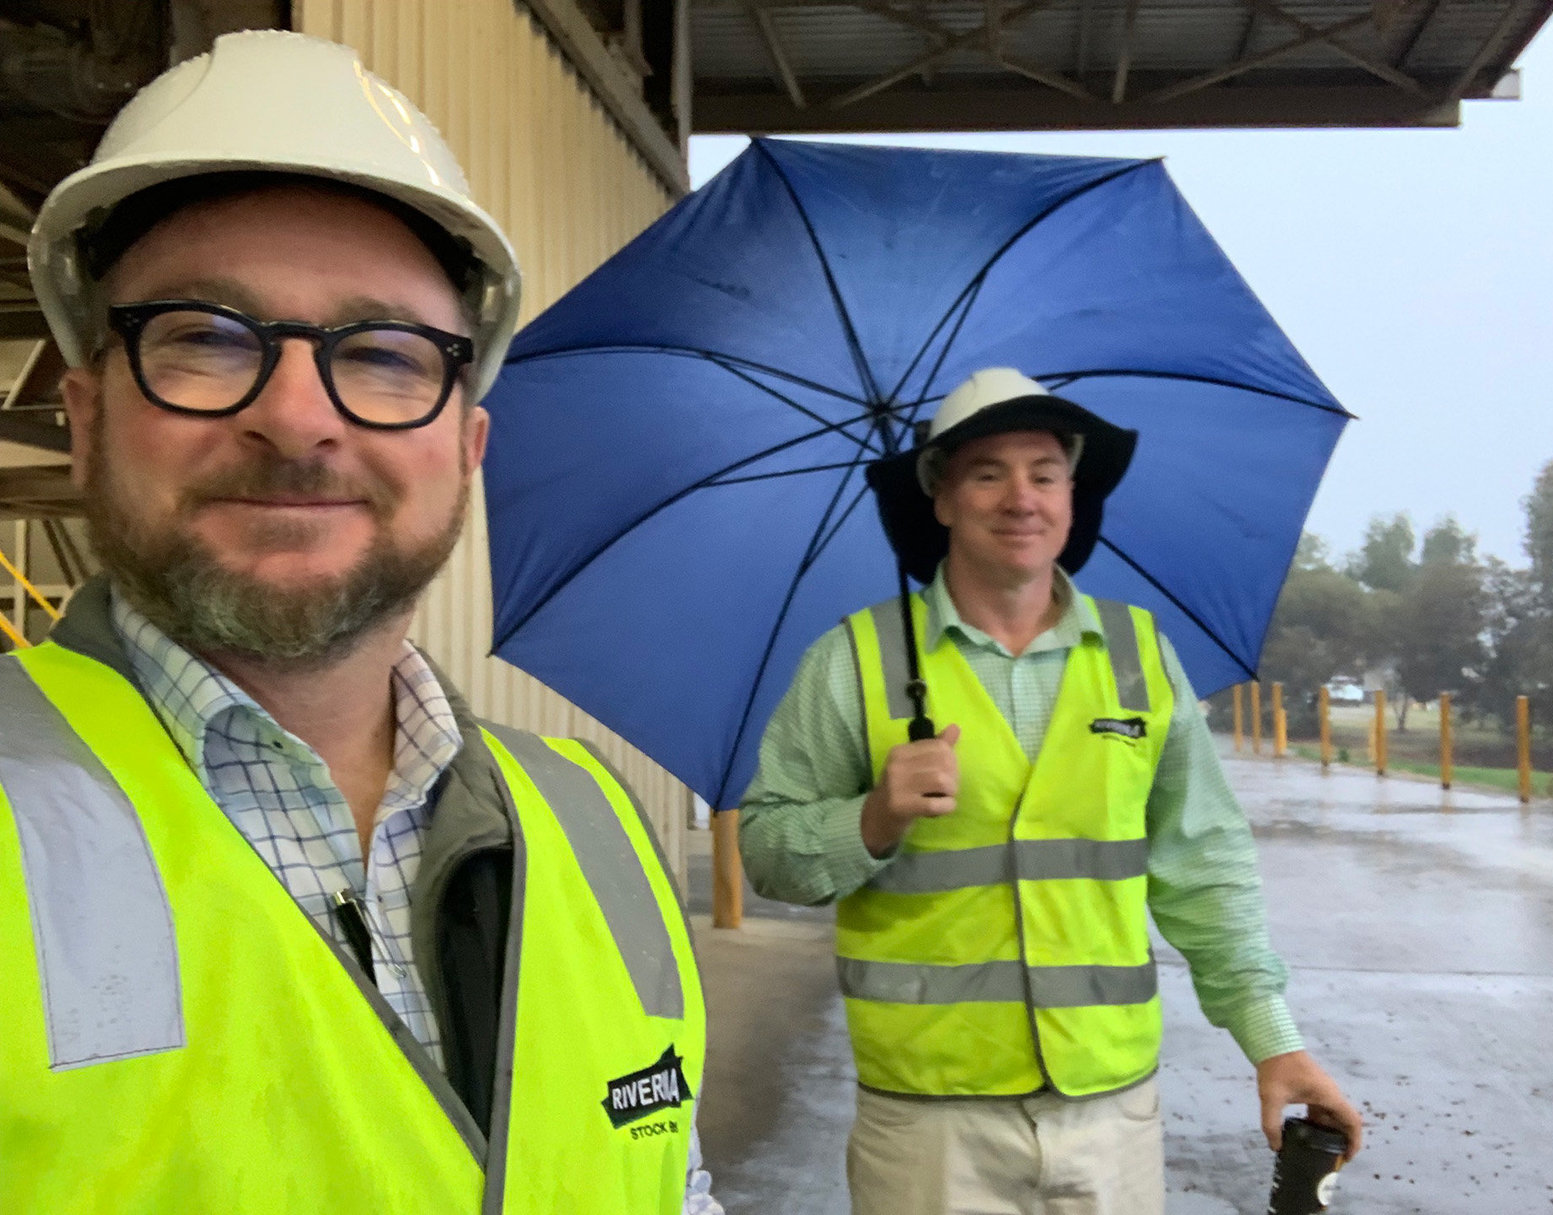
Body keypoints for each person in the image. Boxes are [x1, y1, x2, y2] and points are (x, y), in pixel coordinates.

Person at [1, 31, 719, 1214]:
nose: (295, 419)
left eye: (384, 355)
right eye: (204, 338)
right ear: (85, 419)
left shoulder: (603, 830)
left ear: (467, 448)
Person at [738, 367, 1362, 1213]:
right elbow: (769, 851)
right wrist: (872, 819)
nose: (1020, 497)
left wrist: (1272, 1041)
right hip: (928, 1117)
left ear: (1073, 494)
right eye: (987, 472)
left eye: (1044, 471)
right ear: (941, 496)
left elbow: (1204, 863)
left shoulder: (1140, 656)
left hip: (1110, 1110)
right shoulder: (854, 661)